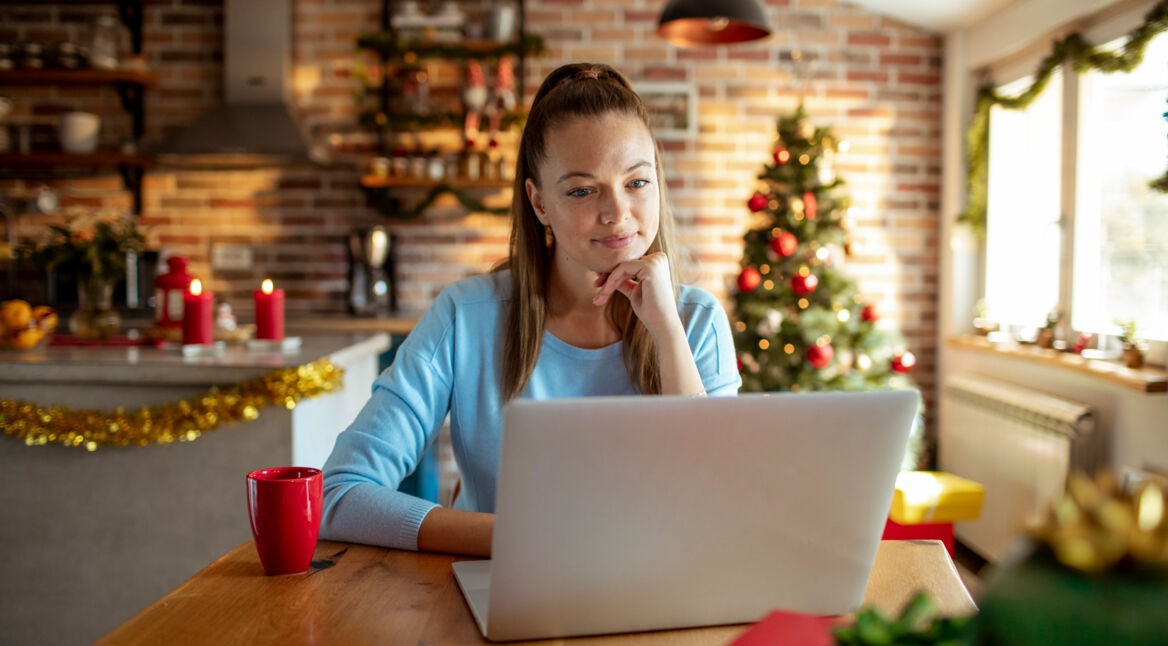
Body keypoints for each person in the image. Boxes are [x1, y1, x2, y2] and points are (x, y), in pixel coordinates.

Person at [321, 62, 741, 557]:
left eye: (637, 182)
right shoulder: (465, 318)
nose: (617, 213)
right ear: (539, 203)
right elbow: (339, 494)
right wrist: (514, 539)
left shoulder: (697, 320)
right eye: (582, 190)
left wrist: (668, 330)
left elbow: (720, 507)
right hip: (504, 594)